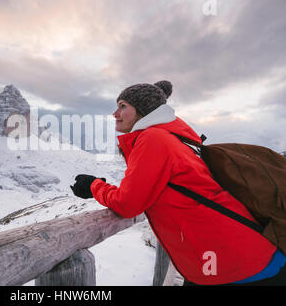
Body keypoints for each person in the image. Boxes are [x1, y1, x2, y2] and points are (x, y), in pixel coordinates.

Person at [70, 80, 286, 286]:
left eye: (122, 106)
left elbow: (128, 204)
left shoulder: (153, 139)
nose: (115, 113)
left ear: (142, 111)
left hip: (230, 261)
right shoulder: (171, 137)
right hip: (231, 253)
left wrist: (93, 186)